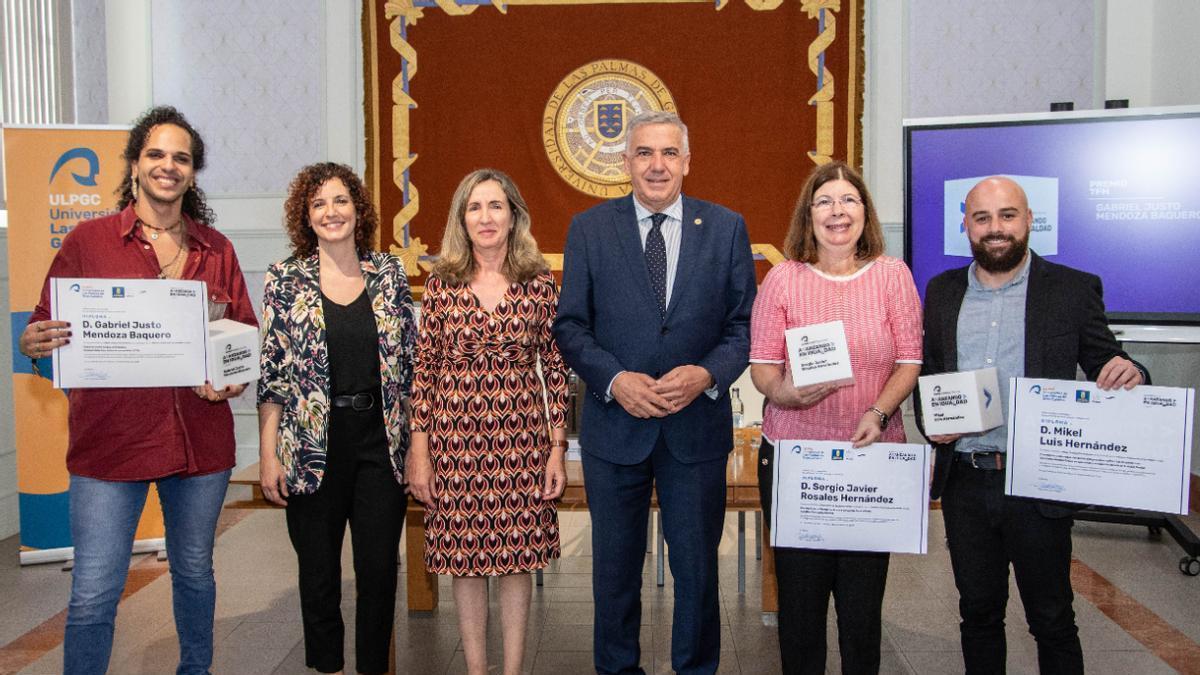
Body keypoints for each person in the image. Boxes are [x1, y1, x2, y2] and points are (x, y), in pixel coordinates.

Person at [17, 106, 256, 675]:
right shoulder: (88, 241)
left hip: (198, 443)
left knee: (194, 573)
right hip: (110, 444)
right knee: (94, 591)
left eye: (181, 158)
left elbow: (243, 336)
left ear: (192, 173)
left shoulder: (217, 249)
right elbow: (46, 324)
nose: (168, 166)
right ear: (133, 166)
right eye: (156, 154)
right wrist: (33, 341)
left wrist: (232, 377)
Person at [553, 111, 757, 675]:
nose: (657, 165)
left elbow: (744, 325)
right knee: (614, 574)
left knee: (696, 573)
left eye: (669, 153)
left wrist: (707, 375)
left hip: (695, 433)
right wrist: (615, 380)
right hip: (615, 431)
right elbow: (571, 326)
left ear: (687, 161)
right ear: (626, 163)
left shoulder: (726, 227)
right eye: (644, 153)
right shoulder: (590, 229)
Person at [918, 176, 1148, 674]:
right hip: (966, 482)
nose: (995, 228)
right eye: (982, 218)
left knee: (1052, 618)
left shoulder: (1071, 289)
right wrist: (930, 422)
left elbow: (1107, 359)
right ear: (966, 225)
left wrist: (1131, 371)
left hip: (1039, 481)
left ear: (1028, 220)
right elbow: (931, 375)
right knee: (978, 613)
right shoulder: (941, 291)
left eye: (1007, 215)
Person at [749, 161, 923, 674]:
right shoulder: (783, 278)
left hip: (871, 457)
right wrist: (784, 393)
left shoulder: (893, 275)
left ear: (865, 211)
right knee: (800, 609)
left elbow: (910, 360)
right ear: (809, 215)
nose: (837, 211)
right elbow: (762, 365)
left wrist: (879, 411)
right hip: (797, 461)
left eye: (848, 200)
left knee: (861, 612)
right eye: (824, 201)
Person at [406, 169, 569, 675]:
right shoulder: (442, 283)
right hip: (453, 442)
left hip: (522, 440)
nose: (485, 217)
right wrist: (419, 451)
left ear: (514, 215)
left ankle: (513, 670)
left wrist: (558, 448)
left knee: (518, 559)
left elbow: (556, 370)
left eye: (496, 206)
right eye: (474, 207)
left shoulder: (538, 282)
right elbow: (425, 370)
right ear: (462, 219)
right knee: (465, 561)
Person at [257, 163, 416, 675]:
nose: (331, 212)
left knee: (378, 574)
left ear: (358, 209)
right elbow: (274, 375)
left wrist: (418, 446)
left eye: (341, 200)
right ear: (305, 216)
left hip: (380, 446)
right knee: (319, 576)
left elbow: (410, 367)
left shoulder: (387, 273)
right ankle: (327, 668)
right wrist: (268, 455)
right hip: (309, 449)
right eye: (319, 203)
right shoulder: (285, 279)